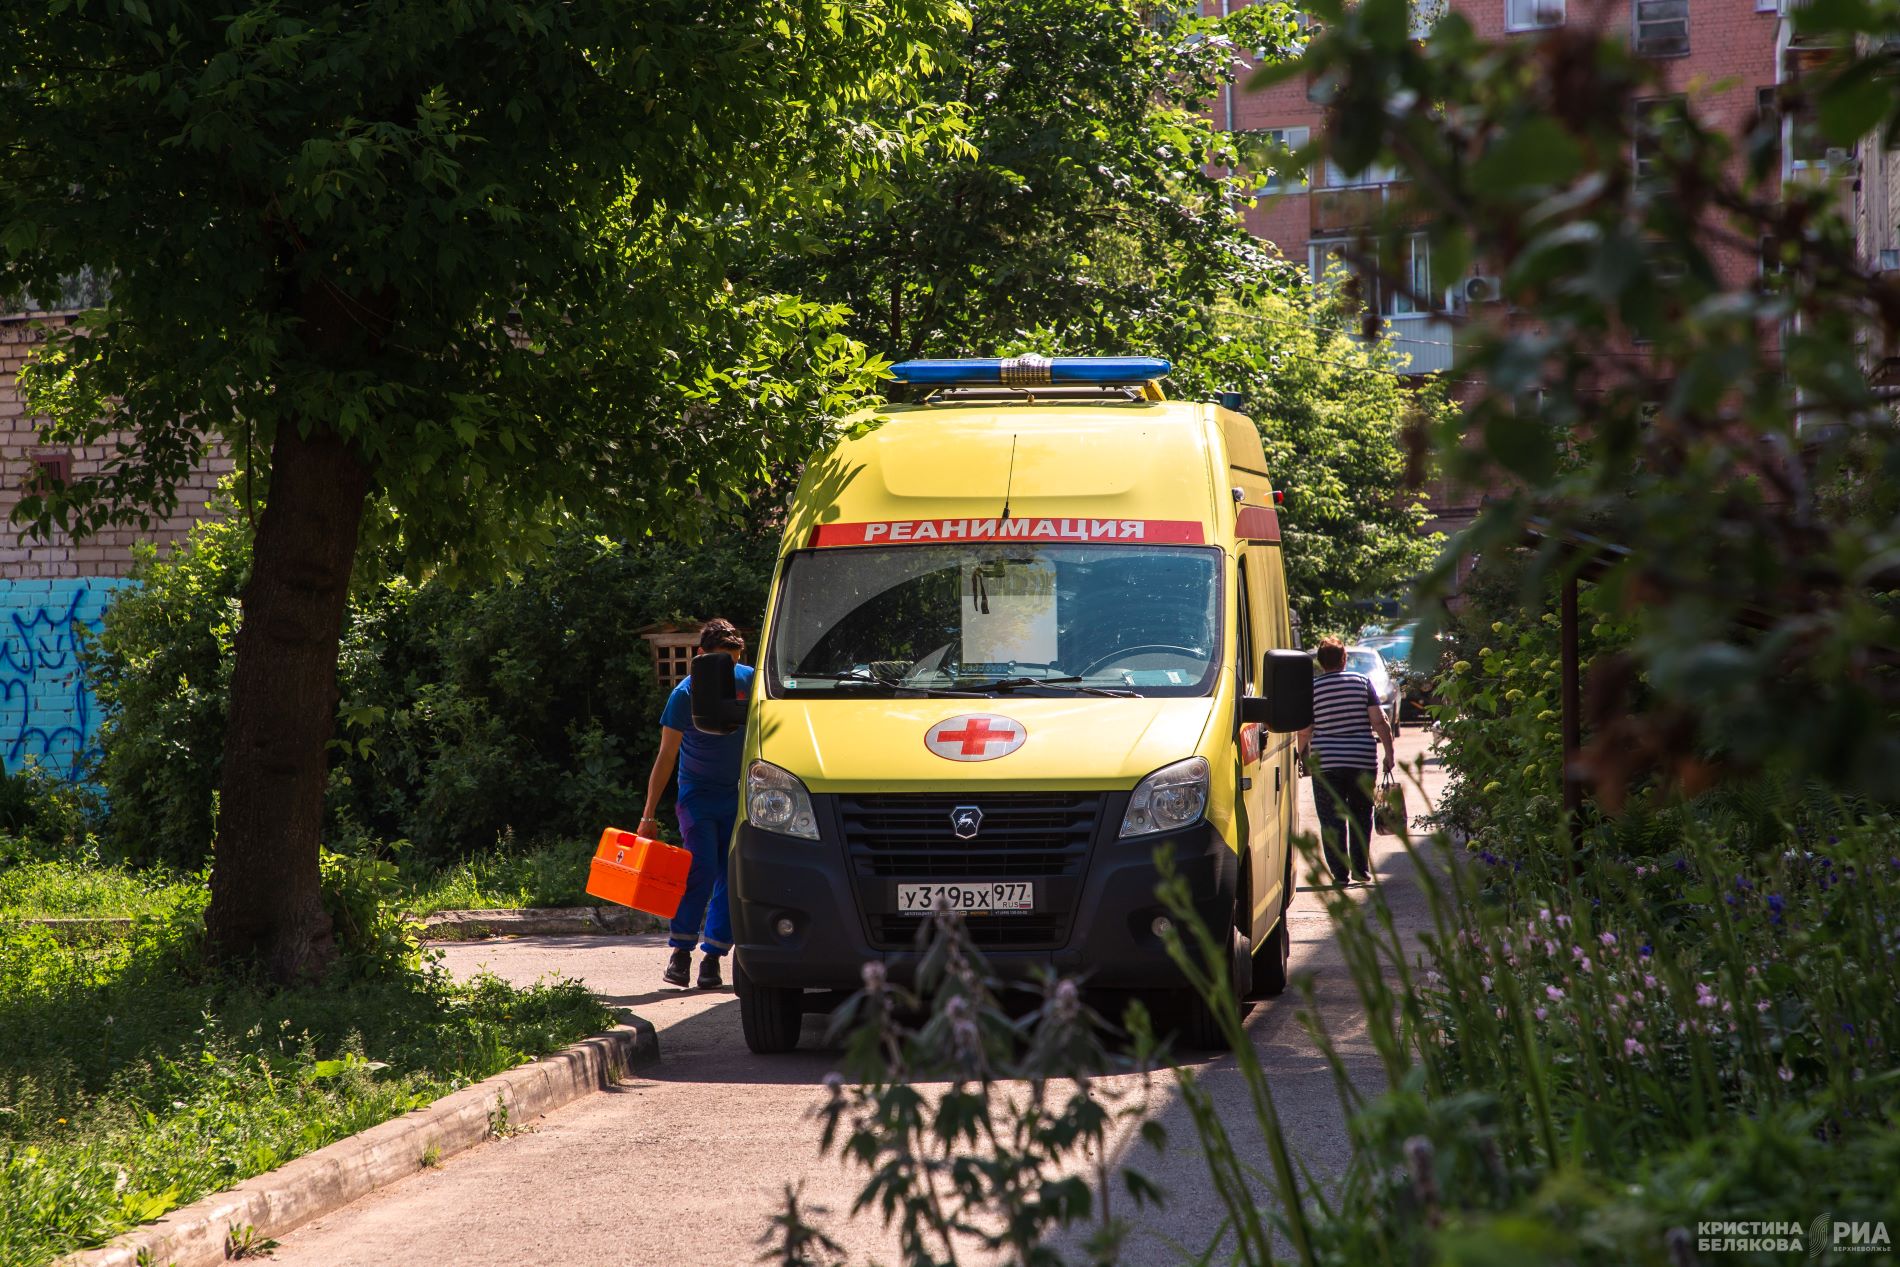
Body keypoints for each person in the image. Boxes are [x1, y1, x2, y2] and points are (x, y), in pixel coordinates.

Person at [638, 619, 752, 989]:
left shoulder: (752, 683)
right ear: (702, 657)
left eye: (734, 661)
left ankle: (713, 957)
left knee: (732, 876)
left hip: (740, 795)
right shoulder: (684, 696)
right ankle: (681, 951)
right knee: (700, 867)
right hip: (698, 797)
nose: (729, 670)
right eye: (722, 662)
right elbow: (666, 756)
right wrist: (648, 815)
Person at [1297, 636, 1396, 886]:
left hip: (1327, 763)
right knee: (1362, 814)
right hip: (1362, 759)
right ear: (1344, 659)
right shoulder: (1362, 682)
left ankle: (1340, 874)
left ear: (1320, 662)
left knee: (1331, 818)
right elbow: (1379, 721)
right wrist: (1389, 753)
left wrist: (1298, 757)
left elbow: (1305, 730)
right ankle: (1360, 869)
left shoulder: (1312, 689)